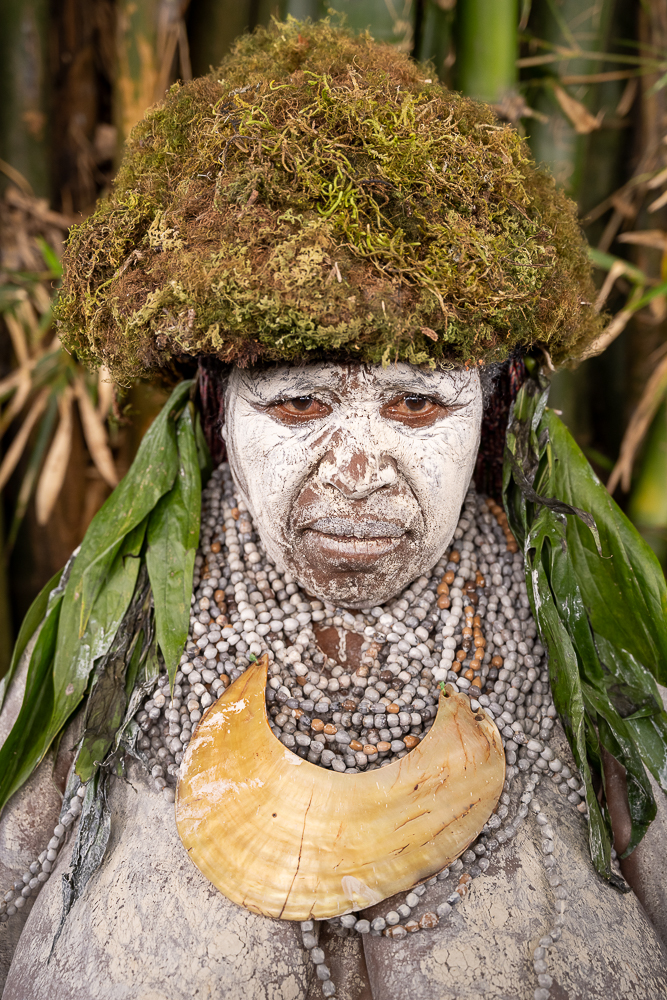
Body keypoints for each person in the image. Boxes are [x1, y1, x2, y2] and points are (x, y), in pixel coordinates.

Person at [2, 18, 667, 1000]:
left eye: (416, 404)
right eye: (300, 403)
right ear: (215, 417)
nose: (357, 467)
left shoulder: (583, 658)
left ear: (490, 418)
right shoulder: (104, 639)